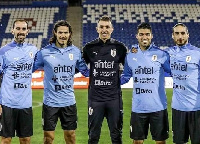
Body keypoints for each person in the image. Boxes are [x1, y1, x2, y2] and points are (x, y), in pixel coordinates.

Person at [33, 20, 89, 144]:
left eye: (65, 33)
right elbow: (30, 69)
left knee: (70, 136)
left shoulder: (75, 52)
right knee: (48, 137)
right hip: (50, 102)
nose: (63, 35)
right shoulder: (44, 52)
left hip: (68, 101)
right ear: (55, 33)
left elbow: (85, 71)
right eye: (60, 32)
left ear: (70, 34)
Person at [121, 22, 170, 144]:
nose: (144, 37)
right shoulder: (130, 55)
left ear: (151, 36)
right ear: (137, 36)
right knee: (137, 141)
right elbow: (126, 77)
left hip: (158, 107)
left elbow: (174, 72)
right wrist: (111, 83)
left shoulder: (162, 54)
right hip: (138, 107)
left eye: (147, 34)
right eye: (141, 34)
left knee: (160, 142)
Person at [83, 15, 127, 144]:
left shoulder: (120, 48)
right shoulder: (89, 48)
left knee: (116, 135)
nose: (104, 30)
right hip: (95, 99)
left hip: (114, 99)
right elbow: (79, 67)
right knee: (93, 136)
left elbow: (129, 68)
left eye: (107, 27)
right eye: (101, 27)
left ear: (112, 29)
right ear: (97, 29)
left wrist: (122, 80)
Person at [0, 19, 38, 144]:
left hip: (25, 103)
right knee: (6, 139)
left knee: (26, 139)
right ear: (12, 31)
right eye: (18, 29)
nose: (20, 32)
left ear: (27, 31)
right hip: (7, 103)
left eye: (23, 29)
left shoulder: (33, 50)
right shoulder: (4, 51)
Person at [165, 23, 200, 144]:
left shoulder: (197, 53)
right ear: (173, 36)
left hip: (197, 108)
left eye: (183, 33)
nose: (180, 36)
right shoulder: (168, 53)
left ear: (188, 35)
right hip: (178, 108)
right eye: (177, 33)